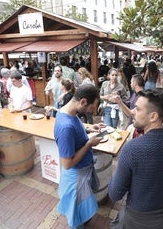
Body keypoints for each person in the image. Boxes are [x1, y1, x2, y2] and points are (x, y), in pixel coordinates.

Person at [108, 89, 163, 228]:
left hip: (138, 221)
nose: (133, 112)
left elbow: (115, 194)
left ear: (153, 116)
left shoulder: (132, 149)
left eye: (137, 109)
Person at [54, 84, 105, 229]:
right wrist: (89, 144)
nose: (91, 111)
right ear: (83, 101)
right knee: (75, 214)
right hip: (75, 177)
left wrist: (88, 128)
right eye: (91, 107)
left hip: (82, 171)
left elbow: (75, 131)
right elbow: (67, 164)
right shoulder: (65, 127)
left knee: (81, 209)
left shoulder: (68, 112)